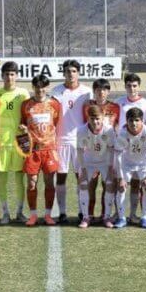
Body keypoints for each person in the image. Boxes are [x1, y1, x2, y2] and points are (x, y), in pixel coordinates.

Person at [51, 60, 92, 224]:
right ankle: (62, 212)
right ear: (64, 73)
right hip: (61, 140)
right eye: (68, 71)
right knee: (61, 177)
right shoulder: (56, 91)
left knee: (80, 177)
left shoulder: (86, 92)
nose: (71, 74)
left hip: (80, 141)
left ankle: (82, 211)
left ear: (78, 73)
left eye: (74, 71)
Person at [20, 75, 62, 226]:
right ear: (33, 87)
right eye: (37, 87)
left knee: (49, 182)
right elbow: (23, 124)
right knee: (32, 183)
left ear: (47, 87)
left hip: (49, 150)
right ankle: (33, 215)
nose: (40, 90)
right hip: (33, 151)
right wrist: (23, 130)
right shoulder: (26, 105)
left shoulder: (54, 104)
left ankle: (48, 215)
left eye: (43, 87)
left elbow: (55, 123)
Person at [0, 61, 30, 224]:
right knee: (2, 180)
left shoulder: (23, 93)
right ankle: (5, 213)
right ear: (2, 76)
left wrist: (25, 127)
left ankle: (20, 212)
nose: (9, 77)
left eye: (12, 74)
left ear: (17, 76)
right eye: (7, 74)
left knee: (20, 179)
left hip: (19, 142)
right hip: (1, 142)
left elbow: (28, 114)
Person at [116, 73, 146, 222]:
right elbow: (115, 123)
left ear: (139, 86)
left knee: (142, 185)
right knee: (120, 185)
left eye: (135, 85)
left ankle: (140, 216)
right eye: (129, 85)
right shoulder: (119, 102)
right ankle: (120, 215)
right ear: (125, 86)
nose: (132, 88)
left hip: (141, 151)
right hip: (124, 148)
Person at [81, 78, 119, 221]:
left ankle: (105, 215)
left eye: (104, 90)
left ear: (108, 92)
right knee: (91, 184)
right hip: (91, 151)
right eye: (98, 90)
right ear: (94, 91)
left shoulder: (115, 107)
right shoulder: (87, 106)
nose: (101, 93)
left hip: (107, 152)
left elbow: (117, 127)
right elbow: (84, 126)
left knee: (107, 184)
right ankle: (89, 215)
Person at [114, 108, 146, 229]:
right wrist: (121, 178)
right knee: (121, 188)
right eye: (131, 120)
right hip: (127, 163)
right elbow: (118, 156)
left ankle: (144, 218)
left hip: (143, 164)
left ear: (142, 121)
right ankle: (122, 218)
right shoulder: (122, 133)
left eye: (137, 120)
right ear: (127, 121)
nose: (134, 123)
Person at [76, 105, 116, 228]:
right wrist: (83, 169)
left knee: (109, 184)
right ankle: (86, 217)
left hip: (105, 162)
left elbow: (111, 149)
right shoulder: (81, 130)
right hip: (88, 162)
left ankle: (106, 216)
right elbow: (80, 150)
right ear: (88, 118)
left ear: (103, 117)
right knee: (83, 185)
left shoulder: (109, 130)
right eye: (92, 118)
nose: (95, 121)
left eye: (97, 118)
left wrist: (110, 168)